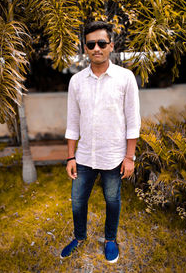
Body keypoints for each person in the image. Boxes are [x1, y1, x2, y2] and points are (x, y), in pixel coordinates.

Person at [60, 21, 141, 263]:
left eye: (102, 43)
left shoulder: (125, 78)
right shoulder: (76, 82)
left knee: (113, 201)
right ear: (85, 48)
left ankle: (110, 240)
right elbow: (72, 122)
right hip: (84, 156)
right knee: (77, 202)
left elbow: (133, 121)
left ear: (111, 46)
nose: (97, 48)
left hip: (114, 157)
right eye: (91, 44)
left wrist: (129, 157)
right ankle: (79, 236)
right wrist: (70, 156)